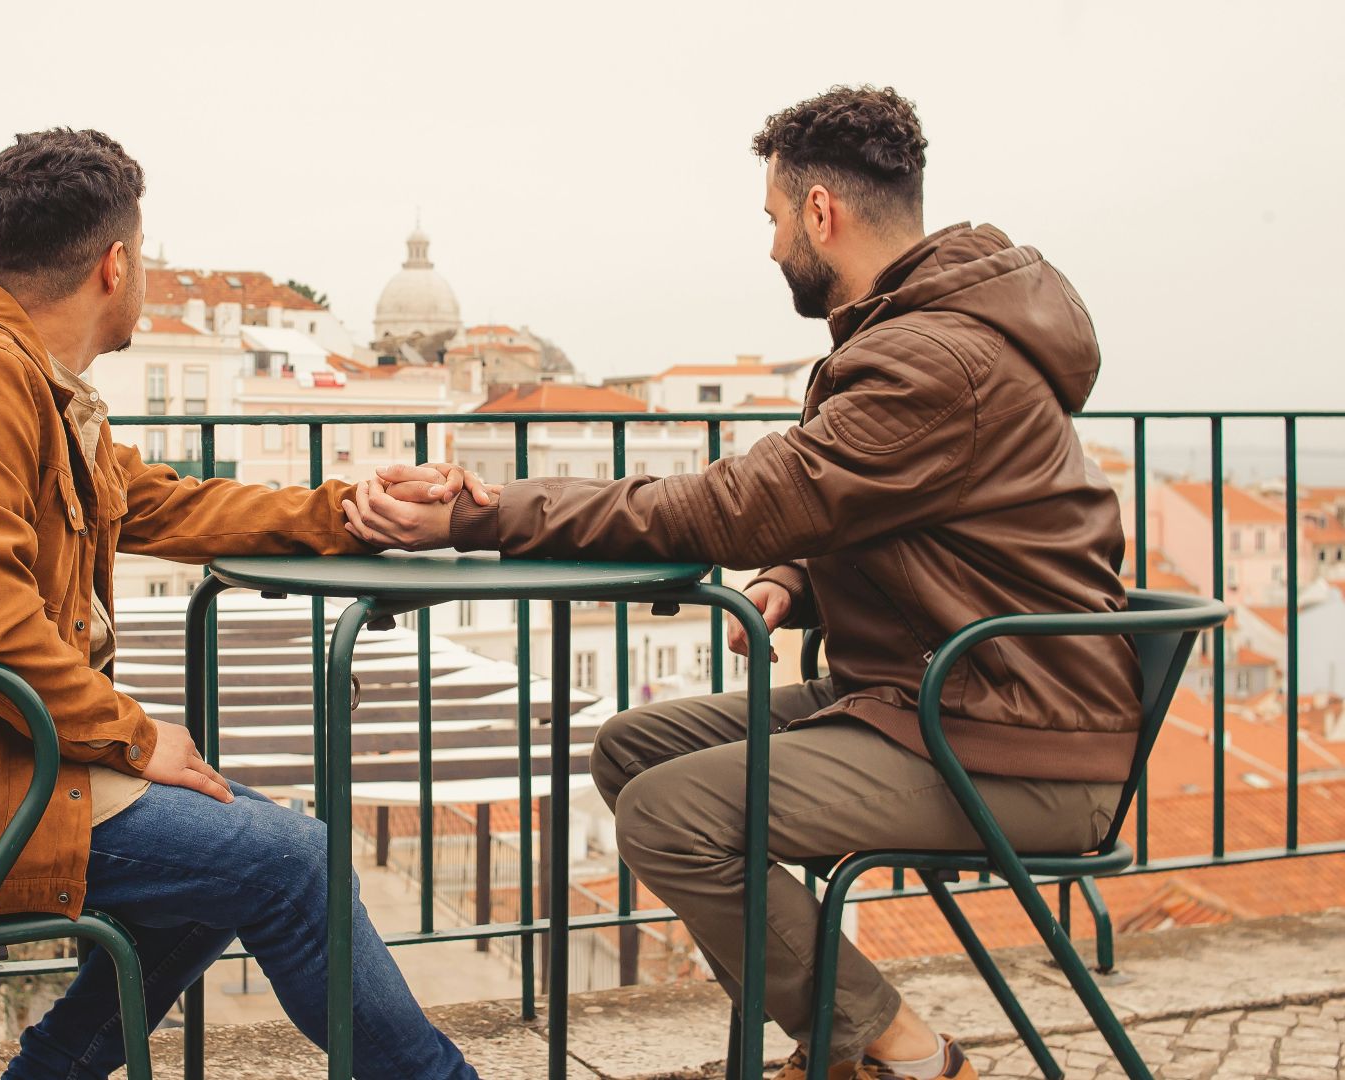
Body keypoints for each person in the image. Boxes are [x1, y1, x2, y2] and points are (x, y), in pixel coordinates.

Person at [345, 85, 1140, 1080]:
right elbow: (894, 502)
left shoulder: (927, 356)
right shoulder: (932, 334)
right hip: (942, 696)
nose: (769, 249)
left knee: (672, 815)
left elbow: (729, 504)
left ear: (820, 213)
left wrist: (484, 514)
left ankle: (899, 1053)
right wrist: (798, 576)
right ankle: (843, 1038)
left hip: (1012, 740)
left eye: (772, 220)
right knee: (634, 750)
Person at [0, 127, 477, 1080]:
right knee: (291, 860)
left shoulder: (26, 382)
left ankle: (51, 1072)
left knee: (234, 860)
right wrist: (134, 734)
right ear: (116, 264)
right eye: (144, 256)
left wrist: (345, 512)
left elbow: (168, 502)